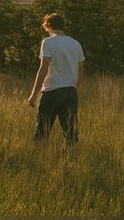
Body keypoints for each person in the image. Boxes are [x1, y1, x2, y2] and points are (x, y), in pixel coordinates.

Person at [27, 12, 85, 144]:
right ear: (63, 25)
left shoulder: (47, 42)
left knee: (42, 131)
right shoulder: (76, 44)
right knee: (70, 132)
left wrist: (33, 95)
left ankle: (38, 159)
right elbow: (80, 72)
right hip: (71, 91)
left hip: (51, 91)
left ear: (48, 26)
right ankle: (71, 160)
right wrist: (73, 87)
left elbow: (43, 68)